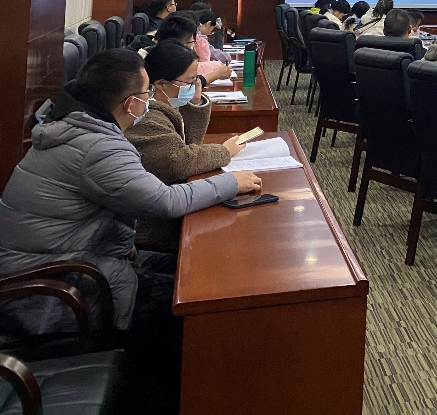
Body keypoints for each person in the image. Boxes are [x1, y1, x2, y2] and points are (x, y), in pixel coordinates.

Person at [0, 49, 258, 336]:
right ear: (131, 104)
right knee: (208, 302)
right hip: (54, 295)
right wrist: (231, 182)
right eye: (148, 93)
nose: (150, 99)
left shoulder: (74, 126)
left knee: (202, 267)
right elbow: (165, 201)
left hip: (72, 266)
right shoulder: (97, 148)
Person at [129, 42, 246, 251]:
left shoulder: (166, 107)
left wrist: (195, 102)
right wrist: (224, 151)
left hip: (170, 210)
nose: (194, 85)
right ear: (161, 84)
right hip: (154, 228)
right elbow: (179, 161)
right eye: (190, 81)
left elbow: (189, 144)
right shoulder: (147, 117)